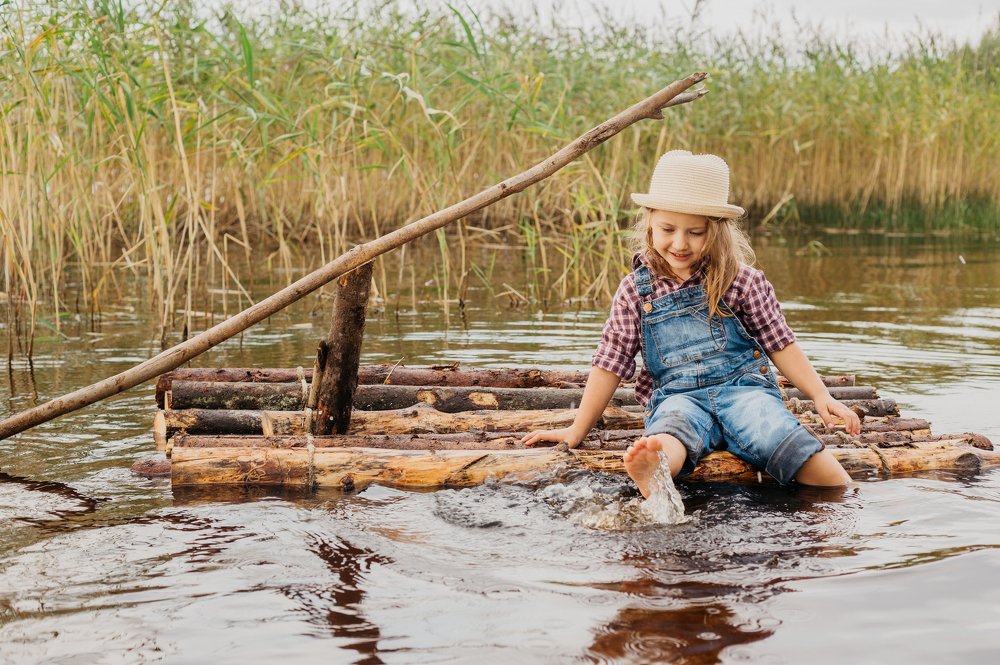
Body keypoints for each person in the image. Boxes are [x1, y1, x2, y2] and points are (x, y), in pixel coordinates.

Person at [522, 150, 859, 497]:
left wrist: (820, 395)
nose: (680, 244)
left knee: (782, 437)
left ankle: (837, 507)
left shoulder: (743, 281)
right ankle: (655, 467)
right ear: (649, 222)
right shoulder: (636, 291)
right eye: (667, 229)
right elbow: (611, 361)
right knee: (671, 431)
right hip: (678, 396)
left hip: (744, 392)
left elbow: (780, 343)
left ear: (716, 231)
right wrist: (577, 430)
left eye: (696, 232)